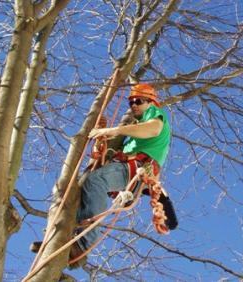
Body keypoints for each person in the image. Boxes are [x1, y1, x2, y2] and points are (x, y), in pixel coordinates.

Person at [31, 84, 178, 268]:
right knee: (79, 191)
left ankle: (83, 243)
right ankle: (56, 241)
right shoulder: (133, 132)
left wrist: (112, 131)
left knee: (96, 180)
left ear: (151, 102)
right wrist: (104, 136)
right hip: (126, 166)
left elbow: (153, 129)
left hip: (136, 168)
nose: (133, 104)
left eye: (138, 101)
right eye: (131, 101)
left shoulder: (155, 114)